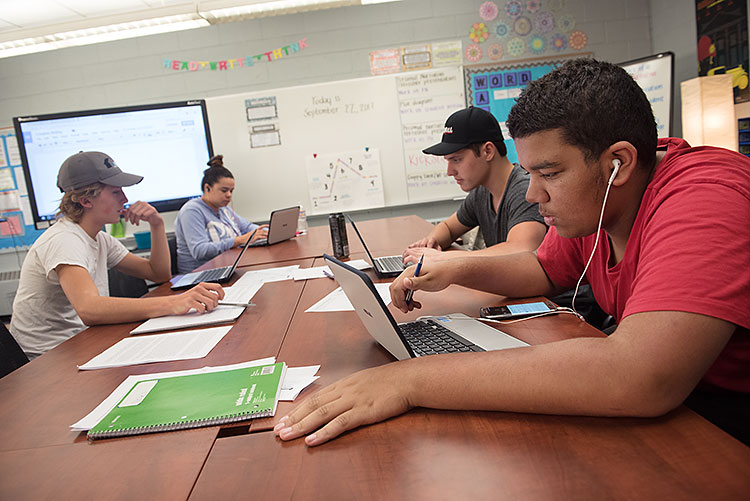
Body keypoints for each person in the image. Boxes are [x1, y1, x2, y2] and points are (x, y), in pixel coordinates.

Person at [273, 59, 750, 446]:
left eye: (549, 173)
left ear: (617, 163)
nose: (535, 194)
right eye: (530, 173)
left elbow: (639, 375)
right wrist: (454, 268)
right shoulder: (597, 203)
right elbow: (542, 268)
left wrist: (411, 381)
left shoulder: (706, 199)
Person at [10, 151, 225, 359]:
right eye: (115, 192)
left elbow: (157, 273)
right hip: (48, 357)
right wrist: (173, 303)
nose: (125, 198)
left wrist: (157, 224)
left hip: (81, 342)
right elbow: (90, 309)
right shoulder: (64, 239)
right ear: (86, 200)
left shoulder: (100, 239)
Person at [402, 107, 546, 265]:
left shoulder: (524, 190)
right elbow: (449, 228)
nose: (450, 172)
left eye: (456, 160)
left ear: (488, 151)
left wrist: (442, 258)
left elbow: (520, 249)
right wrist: (430, 242)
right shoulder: (482, 193)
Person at [174, 154, 268, 274]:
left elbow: (248, 227)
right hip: (200, 275)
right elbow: (200, 251)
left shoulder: (224, 209)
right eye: (224, 190)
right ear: (207, 188)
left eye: (231, 191)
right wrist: (238, 241)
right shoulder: (191, 211)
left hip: (226, 268)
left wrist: (265, 233)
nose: (229, 195)